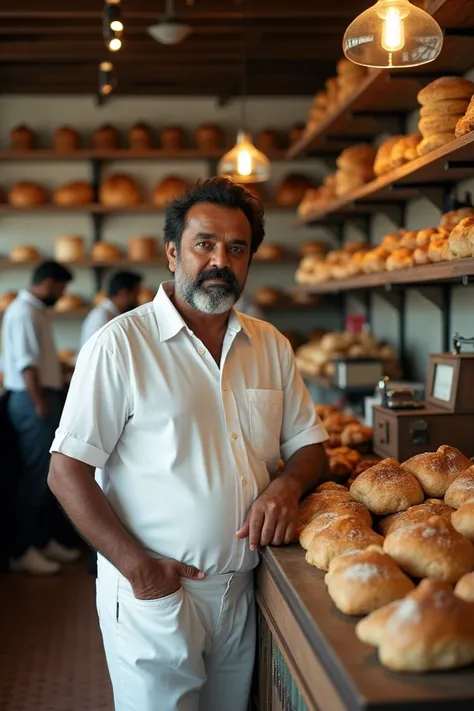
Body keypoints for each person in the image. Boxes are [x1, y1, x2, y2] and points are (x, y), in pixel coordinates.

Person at [48, 178, 328, 711]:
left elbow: (309, 445)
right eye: (205, 244)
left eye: (237, 248)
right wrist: (140, 569)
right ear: (174, 252)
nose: (220, 260)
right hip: (156, 591)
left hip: (242, 588)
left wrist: (287, 486)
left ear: (249, 260)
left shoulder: (269, 344)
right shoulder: (121, 345)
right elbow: (66, 471)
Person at [2, 261, 81, 575]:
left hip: (41, 397)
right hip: (31, 400)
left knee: (47, 474)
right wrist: (39, 404)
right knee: (36, 477)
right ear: (48, 282)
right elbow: (25, 365)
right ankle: (24, 550)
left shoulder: (35, 311)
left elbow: (39, 361)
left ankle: (43, 539)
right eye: (61, 289)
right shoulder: (22, 312)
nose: (61, 296)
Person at [80, 270, 142, 348]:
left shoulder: (112, 313)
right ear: (123, 293)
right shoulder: (102, 316)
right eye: (136, 293)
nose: (137, 299)